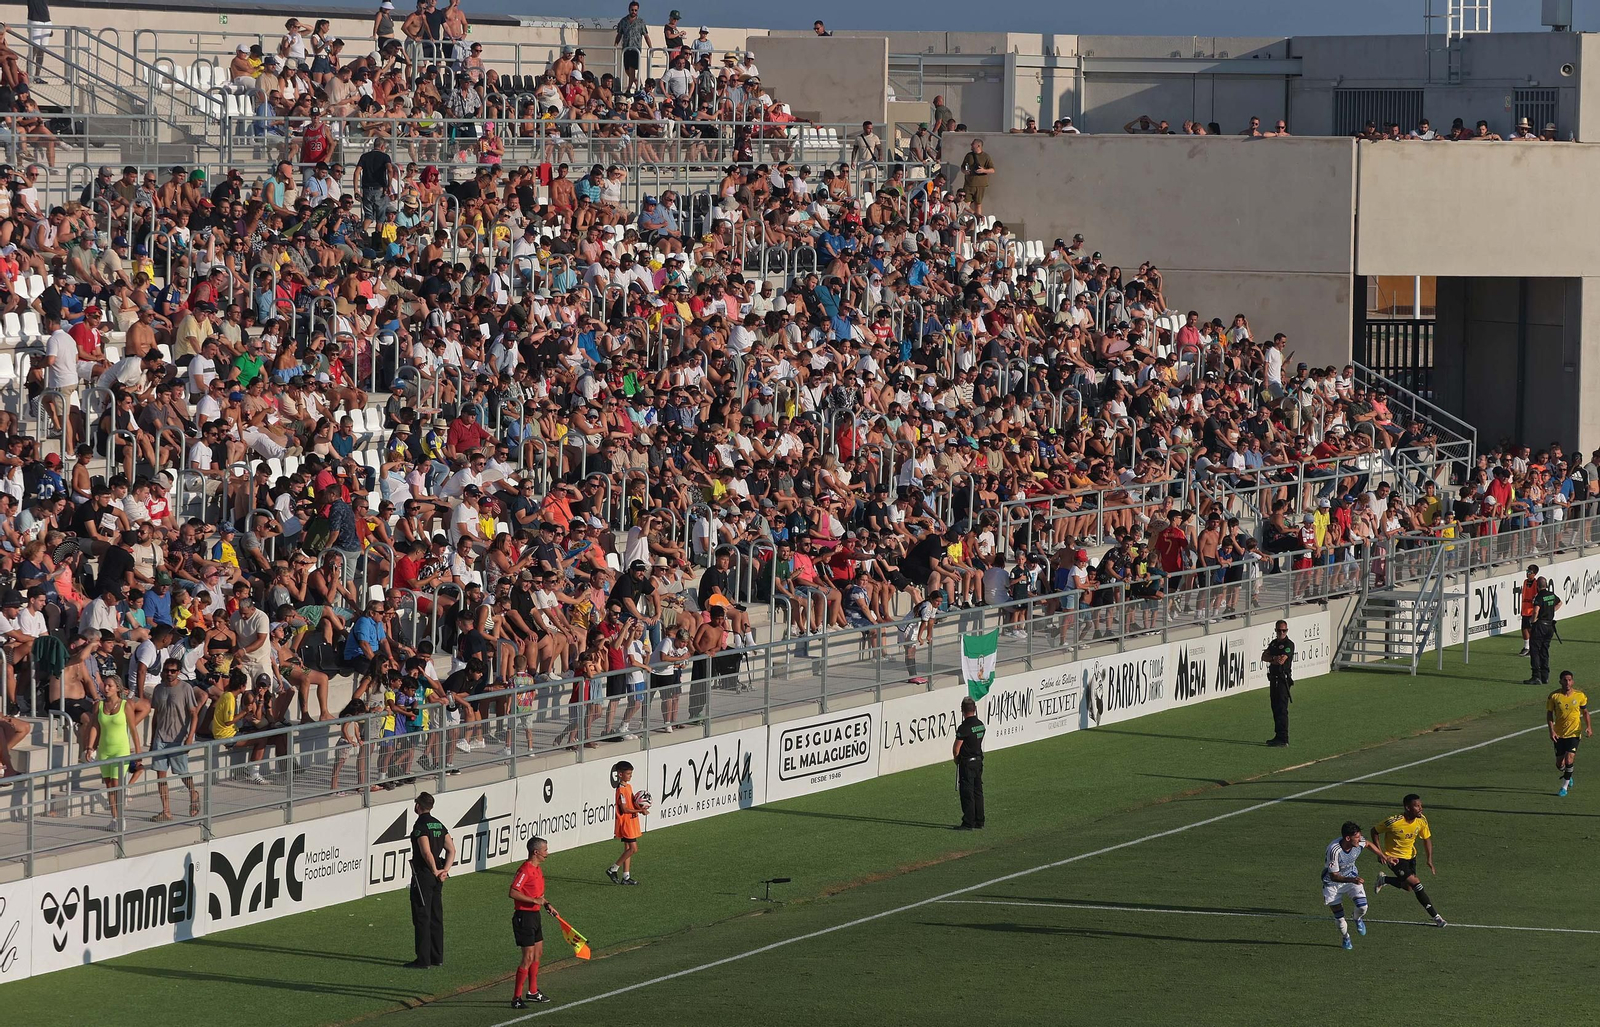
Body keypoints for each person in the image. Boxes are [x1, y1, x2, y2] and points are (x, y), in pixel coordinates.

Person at [1370, 793, 1446, 927]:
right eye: (1417, 806)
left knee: (1408, 887)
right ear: (1407, 808)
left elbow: (1426, 839)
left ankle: (1384, 879)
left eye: (1420, 805)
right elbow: (1374, 831)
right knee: (1416, 883)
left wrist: (1429, 860)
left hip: (1411, 856)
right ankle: (1436, 917)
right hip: (1394, 858)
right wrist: (1381, 854)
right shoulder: (1394, 822)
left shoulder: (1421, 820)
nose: (1420, 808)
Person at [406, 790, 456, 968]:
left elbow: (426, 852)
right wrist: (445, 870)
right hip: (438, 876)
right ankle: (437, 957)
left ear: (418, 806)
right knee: (436, 915)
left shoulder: (420, 825)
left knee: (422, 916)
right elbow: (451, 849)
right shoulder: (438, 824)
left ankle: (423, 960)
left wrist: (435, 870)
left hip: (424, 875)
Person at [148, 657, 202, 820]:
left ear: (178, 672)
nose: (169, 674)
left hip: (178, 737)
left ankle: (193, 793)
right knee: (160, 774)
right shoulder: (158, 689)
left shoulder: (185, 688)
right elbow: (156, 715)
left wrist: (190, 737)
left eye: (173, 671)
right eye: (166, 670)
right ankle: (166, 810)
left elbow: (194, 714)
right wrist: (152, 740)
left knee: (182, 771)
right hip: (160, 737)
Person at [508, 835, 559, 1007]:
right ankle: (516, 998)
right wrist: (534, 901)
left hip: (535, 916)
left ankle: (533, 991)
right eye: (545, 850)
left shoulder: (537, 869)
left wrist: (546, 904)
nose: (547, 853)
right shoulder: (525, 870)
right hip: (524, 917)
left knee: (537, 954)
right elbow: (513, 892)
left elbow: (538, 895)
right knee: (528, 957)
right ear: (536, 852)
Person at [1322, 820, 1377, 949]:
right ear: (1348, 838)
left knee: (1363, 907)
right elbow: (1333, 876)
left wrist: (1384, 856)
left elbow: (1368, 844)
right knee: (1340, 919)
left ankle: (1357, 918)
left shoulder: (1358, 842)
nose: (1360, 840)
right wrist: (1353, 880)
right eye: (1357, 837)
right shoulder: (1334, 850)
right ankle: (1346, 937)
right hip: (1332, 884)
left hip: (1352, 876)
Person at [1547, 670, 1591, 797]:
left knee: (1569, 758)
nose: (1567, 682)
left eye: (1570, 680)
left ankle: (1564, 787)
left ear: (1573, 681)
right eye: (1565, 680)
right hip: (1559, 734)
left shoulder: (1580, 696)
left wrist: (1588, 727)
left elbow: (1585, 712)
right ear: (1560, 681)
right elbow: (1549, 714)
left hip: (1574, 733)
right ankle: (1568, 774)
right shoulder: (1554, 696)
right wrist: (1552, 730)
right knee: (1559, 764)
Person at [606, 759, 648, 884]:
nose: (630, 776)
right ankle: (613, 869)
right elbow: (624, 809)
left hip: (632, 822)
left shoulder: (628, 787)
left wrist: (640, 805)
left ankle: (626, 877)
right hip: (626, 823)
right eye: (628, 774)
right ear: (620, 774)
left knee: (628, 848)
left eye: (631, 773)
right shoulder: (621, 790)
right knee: (633, 849)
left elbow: (632, 802)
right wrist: (639, 810)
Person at [953, 695, 985, 830]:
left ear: (962, 710)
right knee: (978, 792)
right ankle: (979, 821)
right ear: (975, 709)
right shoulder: (980, 725)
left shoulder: (963, 727)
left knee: (967, 793)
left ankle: (968, 822)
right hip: (978, 762)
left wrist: (957, 760)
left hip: (967, 763)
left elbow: (956, 749)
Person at [1261, 620, 1295, 746]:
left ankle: (1283, 737)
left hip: (1282, 679)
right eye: (1279, 630)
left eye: (1284, 630)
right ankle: (1278, 735)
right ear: (1275, 631)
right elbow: (1264, 657)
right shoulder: (1274, 644)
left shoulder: (1288, 644)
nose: (1282, 632)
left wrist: (1273, 658)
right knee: (1275, 707)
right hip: (1273, 679)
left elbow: (1282, 660)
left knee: (1281, 708)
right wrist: (1274, 658)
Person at [1524, 576, 1560, 685]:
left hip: (1540, 626)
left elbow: (1535, 611)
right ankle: (1545, 676)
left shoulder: (1539, 597)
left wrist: (1533, 621)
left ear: (1537, 586)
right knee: (1545, 650)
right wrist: (1550, 611)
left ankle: (1536, 676)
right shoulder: (1551, 595)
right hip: (1550, 626)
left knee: (1535, 650)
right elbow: (1560, 603)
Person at [959, 139, 995, 215]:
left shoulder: (986, 156)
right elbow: (962, 167)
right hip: (969, 184)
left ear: (978, 146)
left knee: (978, 204)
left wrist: (983, 170)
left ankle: (977, 221)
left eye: (973, 144)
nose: (971, 145)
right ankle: (964, 221)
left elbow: (992, 170)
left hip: (980, 185)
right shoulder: (969, 155)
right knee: (965, 204)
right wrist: (964, 171)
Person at [1518, 565, 1539, 657]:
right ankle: (1526, 647)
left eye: (1529, 572)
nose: (1527, 573)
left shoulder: (1536, 583)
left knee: (1531, 630)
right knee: (1524, 628)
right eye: (1527, 571)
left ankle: (1533, 648)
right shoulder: (1525, 582)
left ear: (1534, 574)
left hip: (1531, 610)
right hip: (1525, 609)